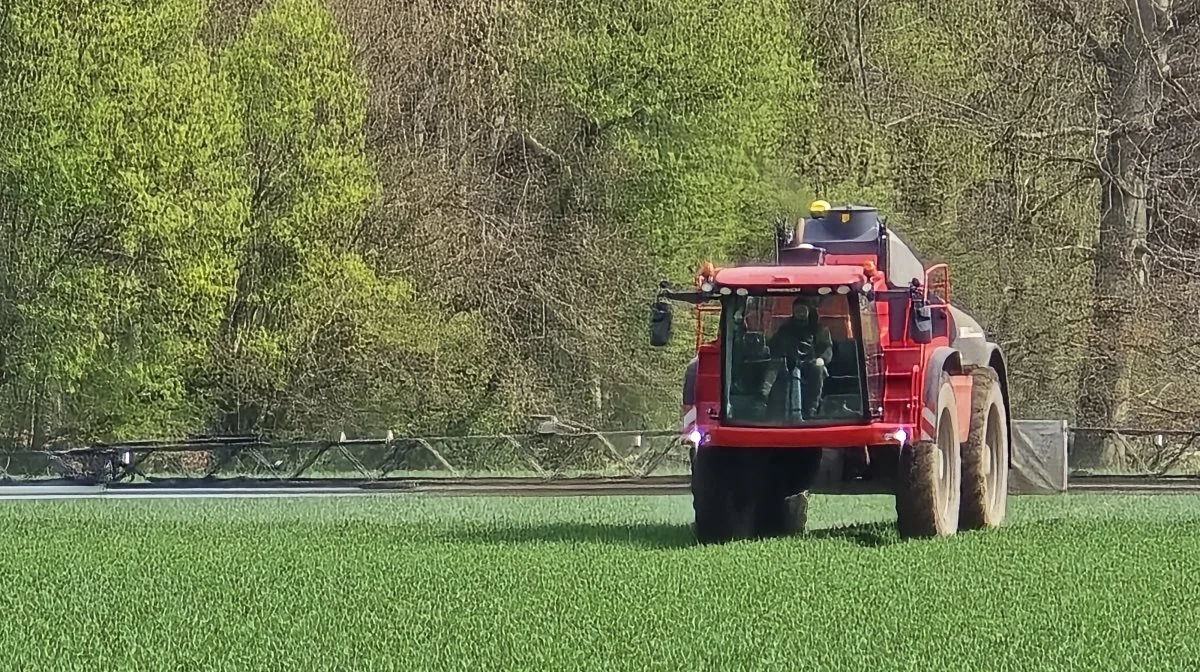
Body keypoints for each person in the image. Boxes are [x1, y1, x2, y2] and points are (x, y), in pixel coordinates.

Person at [760, 295, 833, 419]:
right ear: (793, 312)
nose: (800, 313)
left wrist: (822, 359)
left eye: (803, 310)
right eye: (797, 311)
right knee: (774, 365)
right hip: (788, 361)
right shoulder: (785, 329)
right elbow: (774, 345)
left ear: (808, 311)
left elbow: (827, 348)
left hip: (811, 362)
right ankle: (762, 399)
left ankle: (812, 408)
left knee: (818, 370)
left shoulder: (819, 329)